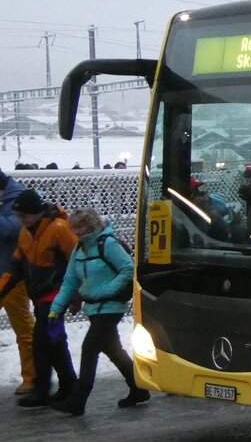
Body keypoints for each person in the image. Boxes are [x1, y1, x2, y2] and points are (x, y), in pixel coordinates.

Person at [47, 208, 149, 415]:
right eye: (73, 227)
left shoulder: (107, 244)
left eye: (80, 226)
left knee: (89, 348)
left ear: (92, 224)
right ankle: (138, 388)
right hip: (94, 307)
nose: (76, 231)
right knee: (113, 349)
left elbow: (128, 269)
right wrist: (56, 308)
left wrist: (108, 290)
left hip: (111, 307)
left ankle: (78, 399)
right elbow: (70, 281)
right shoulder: (80, 249)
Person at [0, 188, 77, 407]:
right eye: (18, 217)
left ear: (35, 213)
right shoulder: (26, 234)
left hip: (55, 296)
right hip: (43, 296)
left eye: (23, 216)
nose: (20, 221)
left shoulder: (58, 229)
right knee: (53, 342)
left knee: (42, 342)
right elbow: (15, 268)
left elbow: (76, 261)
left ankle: (43, 389)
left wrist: (75, 295)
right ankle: (67, 385)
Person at [0, 169, 35, 394]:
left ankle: (32, 377)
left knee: (23, 328)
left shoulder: (20, 198)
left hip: (13, 275)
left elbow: (10, 230)